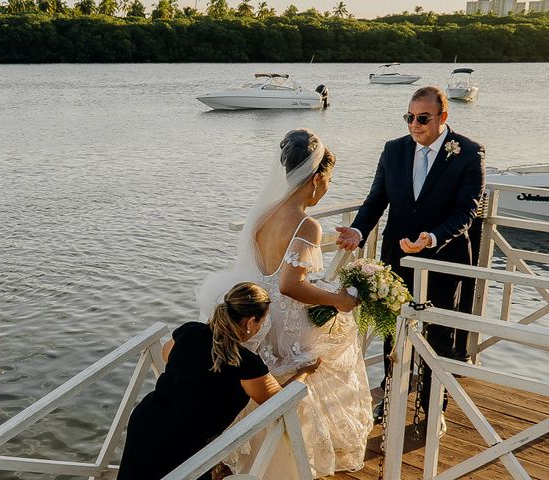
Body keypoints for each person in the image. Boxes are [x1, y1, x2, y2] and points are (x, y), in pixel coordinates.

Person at [198, 129, 373, 477]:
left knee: (255, 396)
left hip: (255, 318)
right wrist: (338, 300)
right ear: (318, 177)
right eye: (329, 181)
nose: (328, 189)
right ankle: (286, 468)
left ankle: (245, 462)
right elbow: (291, 285)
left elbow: (262, 274)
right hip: (287, 324)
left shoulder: (261, 214)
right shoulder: (307, 226)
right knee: (316, 370)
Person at [336, 86, 486, 433]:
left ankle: (434, 408)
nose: (414, 125)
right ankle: (390, 401)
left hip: (443, 259)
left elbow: (467, 211)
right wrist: (358, 232)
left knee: (439, 337)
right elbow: (376, 200)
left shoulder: (468, 153)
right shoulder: (394, 150)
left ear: (442, 118)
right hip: (398, 258)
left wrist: (432, 238)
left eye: (422, 118)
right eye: (409, 117)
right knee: (395, 333)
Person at [117, 282, 319, 480]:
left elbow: (166, 354)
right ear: (250, 322)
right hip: (186, 443)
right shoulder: (246, 363)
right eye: (261, 321)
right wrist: (304, 372)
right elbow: (278, 401)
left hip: (147, 420)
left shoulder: (190, 331)